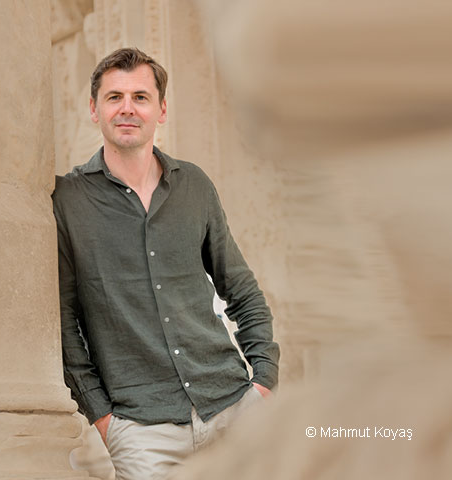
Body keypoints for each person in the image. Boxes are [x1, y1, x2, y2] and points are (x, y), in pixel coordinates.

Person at [52, 47, 281, 479]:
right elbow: (64, 323)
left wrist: (264, 380)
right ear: (94, 109)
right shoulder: (68, 201)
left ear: (161, 110)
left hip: (231, 404)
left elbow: (241, 290)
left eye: (140, 97)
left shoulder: (194, 185)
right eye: (114, 97)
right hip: (141, 429)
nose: (127, 108)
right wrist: (103, 418)